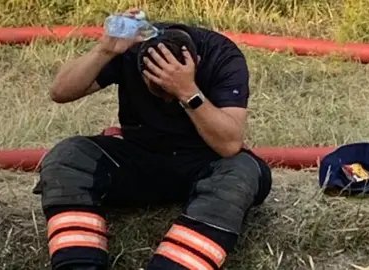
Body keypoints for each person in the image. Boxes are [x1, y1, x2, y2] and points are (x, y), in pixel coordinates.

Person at [32, 8, 273, 270]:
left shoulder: (222, 55)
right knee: (67, 156)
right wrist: (104, 50)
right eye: (158, 90)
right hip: (141, 157)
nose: (167, 100)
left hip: (204, 162)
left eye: (169, 93)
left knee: (243, 171)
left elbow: (229, 145)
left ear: (197, 61)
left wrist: (187, 92)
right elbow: (59, 92)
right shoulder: (132, 48)